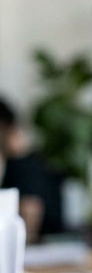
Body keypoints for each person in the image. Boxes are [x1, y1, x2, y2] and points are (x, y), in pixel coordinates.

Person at [0, 96, 64, 242]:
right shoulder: (30, 159)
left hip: (45, 247)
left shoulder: (22, 163)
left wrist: (22, 250)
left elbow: (31, 209)